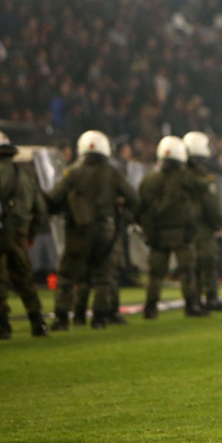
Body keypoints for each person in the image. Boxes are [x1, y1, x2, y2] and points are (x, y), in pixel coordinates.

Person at [47, 130, 140, 329]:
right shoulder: (113, 173)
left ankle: (62, 317)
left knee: (67, 274)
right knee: (105, 275)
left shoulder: (72, 172)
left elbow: (54, 198)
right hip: (106, 230)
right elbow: (134, 199)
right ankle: (100, 317)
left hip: (78, 229)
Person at [0, 128, 51, 339]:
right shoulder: (25, 174)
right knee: (25, 279)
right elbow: (40, 211)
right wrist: (30, 234)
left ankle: (3, 328)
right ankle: (37, 323)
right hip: (21, 235)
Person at [138, 136, 211, 319]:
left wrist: (148, 231)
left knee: (156, 275)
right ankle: (191, 305)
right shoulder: (185, 177)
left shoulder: (149, 179)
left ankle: (150, 307)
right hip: (182, 232)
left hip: (157, 233)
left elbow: (140, 208)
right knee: (187, 271)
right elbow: (204, 187)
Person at [184, 131, 222, 311]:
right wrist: (219, 223)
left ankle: (193, 299)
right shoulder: (203, 176)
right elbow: (211, 203)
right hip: (202, 226)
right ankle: (210, 298)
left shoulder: (179, 175)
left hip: (184, 225)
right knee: (208, 262)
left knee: (190, 265)